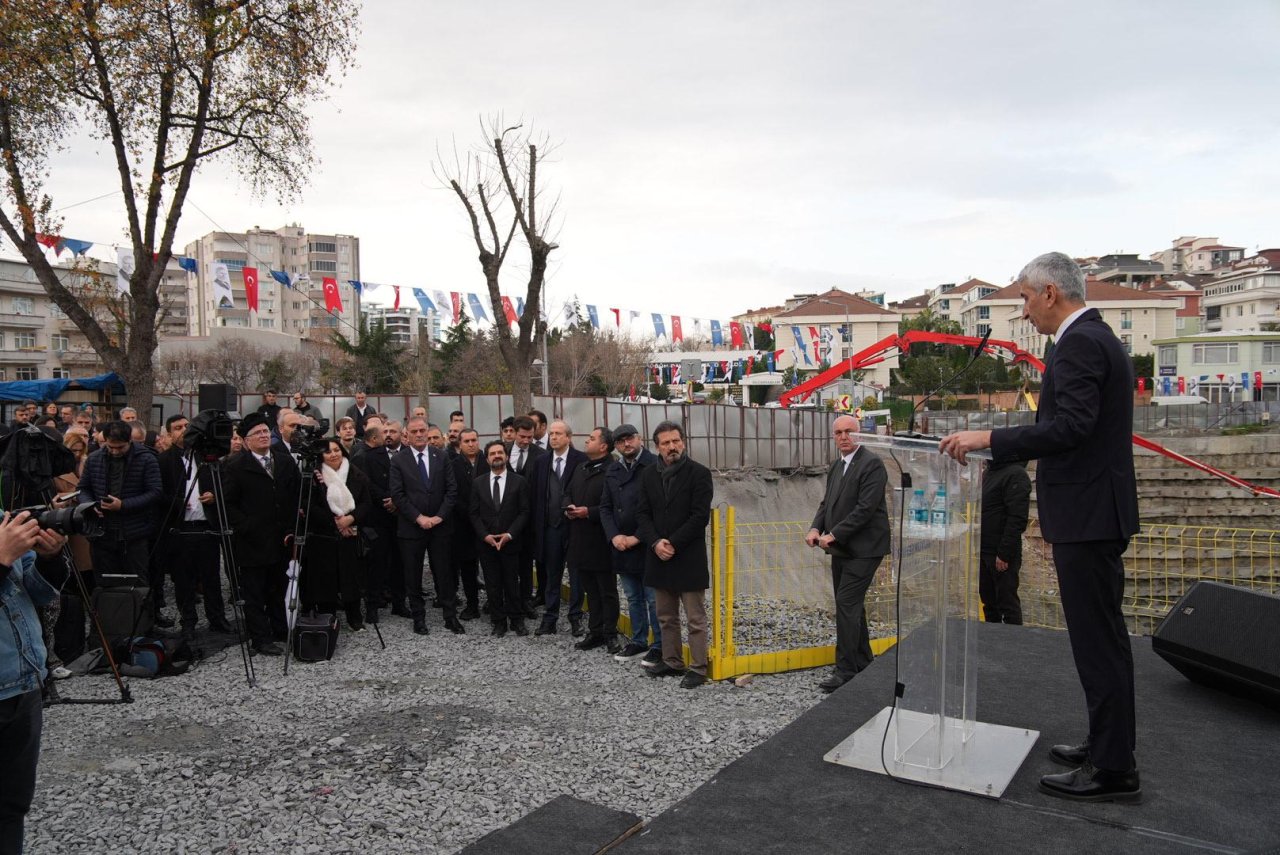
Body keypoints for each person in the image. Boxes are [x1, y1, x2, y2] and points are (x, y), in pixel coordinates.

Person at [939, 251, 1141, 804]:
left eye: (1025, 298)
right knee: (1103, 640)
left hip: (1088, 517)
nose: (1024, 312)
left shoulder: (1079, 343)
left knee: (1099, 644)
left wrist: (990, 440)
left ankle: (1113, 768)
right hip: (1096, 512)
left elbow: (1069, 428)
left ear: (1051, 292)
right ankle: (1107, 747)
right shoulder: (1094, 339)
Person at [805, 415, 890, 693]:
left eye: (848, 432)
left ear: (860, 434)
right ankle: (864, 661)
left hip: (865, 549)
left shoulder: (872, 465)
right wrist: (816, 528)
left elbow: (865, 509)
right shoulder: (836, 466)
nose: (843, 437)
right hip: (841, 549)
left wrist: (835, 533)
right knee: (851, 605)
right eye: (838, 433)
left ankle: (845, 669)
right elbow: (826, 502)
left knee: (846, 602)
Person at [0, 511, 67, 854]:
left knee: (12, 807)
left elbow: (37, 592)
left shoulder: (1, 521)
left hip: (23, 680)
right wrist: (1, 558)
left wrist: (49, 557)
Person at [635, 421, 714, 689]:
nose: (672, 447)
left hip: (688, 556)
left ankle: (698, 667)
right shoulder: (648, 475)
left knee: (695, 618)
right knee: (666, 616)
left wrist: (672, 543)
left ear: (684, 442)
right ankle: (672, 661)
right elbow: (642, 514)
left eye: (676, 441)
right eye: (666, 443)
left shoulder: (699, 474)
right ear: (657, 447)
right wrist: (656, 542)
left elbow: (699, 516)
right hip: (658, 556)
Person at [221, 414, 302, 656]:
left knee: (278, 587)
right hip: (252, 541)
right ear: (246, 441)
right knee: (254, 593)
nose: (264, 435)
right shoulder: (235, 466)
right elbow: (228, 504)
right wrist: (245, 526)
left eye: (266, 431)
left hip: (281, 537)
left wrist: (292, 524)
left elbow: (296, 492)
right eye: (258, 433)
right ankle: (260, 637)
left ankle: (279, 628)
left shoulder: (283, 461)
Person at [157, 414, 232, 638]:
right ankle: (188, 620)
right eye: (177, 427)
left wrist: (215, 496)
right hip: (180, 528)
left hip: (206, 524)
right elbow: (159, 494)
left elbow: (225, 485)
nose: (183, 430)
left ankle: (217, 618)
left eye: (186, 426)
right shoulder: (164, 460)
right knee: (184, 579)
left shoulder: (207, 457)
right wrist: (180, 502)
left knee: (211, 576)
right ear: (169, 434)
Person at [389, 416, 459, 636]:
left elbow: (451, 490)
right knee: (413, 574)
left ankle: (450, 616)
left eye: (422, 430)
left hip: (440, 527)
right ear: (406, 435)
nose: (419, 434)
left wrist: (439, 517)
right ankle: (418, 618)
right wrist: (419, 518)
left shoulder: (441, 456)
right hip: (411, 528)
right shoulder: (398, 460)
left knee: (443, 572)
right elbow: (398, 495)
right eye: (414, 431)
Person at [600, 423, 660, 663]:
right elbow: (605, 507)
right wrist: (614, 536)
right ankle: (638, 640)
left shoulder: (654, 465)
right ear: (616, 446)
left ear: (640, 438)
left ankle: (660, 645)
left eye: (630, 439)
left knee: (653, 599)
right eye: (621, 441)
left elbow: (657, 508)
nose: (627, 444)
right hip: (621, 545)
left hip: (646, 544)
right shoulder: (613, 470)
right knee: (633, 597)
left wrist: (638, 537)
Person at [76, 420, 163, 585]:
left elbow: (155, 492)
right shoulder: (94, 459)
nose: (115, 452)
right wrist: (90, 506)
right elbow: (83, 489)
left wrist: (123, 505)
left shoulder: (146, 459)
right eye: (111, 447)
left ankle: (141, 611)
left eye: (120, 447)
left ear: (130, 441)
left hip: (134, 533)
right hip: (101, 533)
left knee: (137, 583)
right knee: (105, 584)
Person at [302, 439, 374, 630]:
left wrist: (350, 519)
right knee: (325, 580)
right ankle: (328, 618)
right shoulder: (315, 476)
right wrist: (335, 522)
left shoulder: (356, 473)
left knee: (352, 578)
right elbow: (309, 505)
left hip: (351, 534)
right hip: (324, 536)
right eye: (327, 452)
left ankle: (354, 618)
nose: (333, 454)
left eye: (336, 450)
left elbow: (367, 503)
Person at [566, 427, 621, 654]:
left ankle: (610, 634)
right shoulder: (581, 468)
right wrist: (568, 506)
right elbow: (566, 492)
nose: (586, 441)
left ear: (603, 446)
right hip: (580, 540)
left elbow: (615, 506)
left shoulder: (613, 470)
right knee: (591, 590)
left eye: (591, 438)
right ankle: (595, 631)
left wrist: (589, 511)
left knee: (607, 591)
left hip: (602, 541)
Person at [469, 440, 530, 636]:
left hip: (511, 542)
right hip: (486, 544)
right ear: (487, 459)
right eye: (492, 453)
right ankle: (498, 621)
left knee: (512, 582)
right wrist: (485, 536)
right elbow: (474, 513)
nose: (496, 456)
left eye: (500, 453)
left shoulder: (519, 481)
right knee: (492, 584)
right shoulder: (478, 483)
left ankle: (517, 620)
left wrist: (510, 534)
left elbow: (524, 512)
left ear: (505, 456)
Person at [531, 420, 586, 636]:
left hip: (574, 528)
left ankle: (575, 618)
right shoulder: (541, 461)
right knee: (552, 575)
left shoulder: (581, 460)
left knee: (576, 576)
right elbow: (536, 495)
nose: (553, 437)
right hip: (551, 528)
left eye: (558, 434)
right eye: (551, 433)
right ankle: (550, 619)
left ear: (568, 438)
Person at [356, 423, 405, 618]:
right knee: (378, 563)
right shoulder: (370, 457)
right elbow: (367, 483)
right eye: (385, 432)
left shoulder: (409, 455)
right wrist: (388, 500)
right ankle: (372, 606)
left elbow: (413, 483)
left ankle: (400, 604)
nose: (389, 435)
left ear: (401, 434)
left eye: (393, 431)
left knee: (400, 563)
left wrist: (398, 502)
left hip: (403, 517)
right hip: (379, 517)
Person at [980, 460, 1031, 625]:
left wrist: (1004, 553)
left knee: (1007, 603)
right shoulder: (989, 473)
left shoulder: (1015, 474)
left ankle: (1013, 645)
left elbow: (1017, 518)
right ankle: (992, 643)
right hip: (984, 550)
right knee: (989, 601)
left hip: (1001, 554)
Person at [507, 416, 545, 614]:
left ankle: (526, 600)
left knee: (526, 562)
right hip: (505, 518)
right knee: (507, 562)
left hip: (529, 519)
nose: (526, 441)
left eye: (530, 437)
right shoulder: (501, 451)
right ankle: (508, 599)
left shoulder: (541, 455)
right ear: (513, 432)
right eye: (522, 436)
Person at [450, 428, 485, 620]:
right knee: (468, 568)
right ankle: (472, 605)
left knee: (491, 567)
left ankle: (494, 602)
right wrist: (471, 514)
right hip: (463, 525)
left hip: (489, 524)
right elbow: (451, 493)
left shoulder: (489, 461)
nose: (471, 444)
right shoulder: (453, 465)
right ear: (460, 444)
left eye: (474, 440)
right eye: (467, 441)